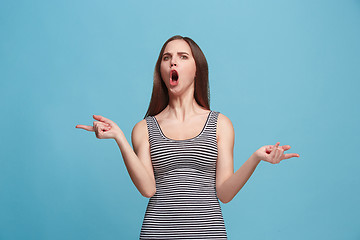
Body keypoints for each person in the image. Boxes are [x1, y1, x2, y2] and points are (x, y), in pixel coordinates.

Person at [75, 35, 300, 239]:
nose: (173, 62)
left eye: (182, 57)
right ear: (161, 71)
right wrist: (120, 139)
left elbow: (224, 193)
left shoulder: (220, 124)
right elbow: (147, 190)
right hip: (157, 233)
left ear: (196, 70)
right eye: (167, 57)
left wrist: (256, 158)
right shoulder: (144, 128)